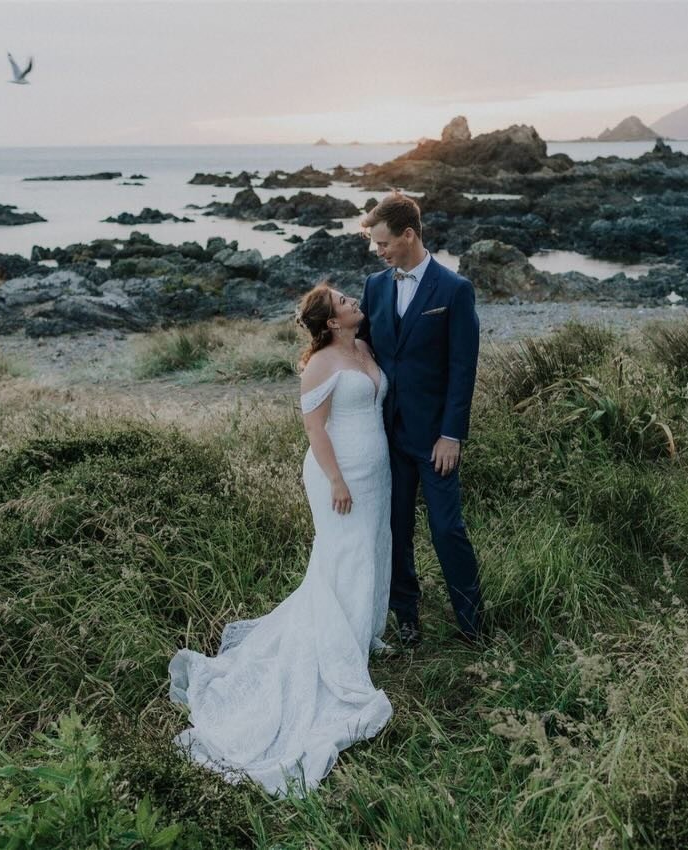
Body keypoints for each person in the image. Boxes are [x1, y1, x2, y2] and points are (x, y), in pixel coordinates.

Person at [167, 283, 393, 797]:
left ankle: (361, 635)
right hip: (341, 473)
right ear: (331, 321)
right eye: (342, 301)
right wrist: (335, 479)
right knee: (343, 556)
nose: (353, 301)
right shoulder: (319, 363)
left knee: (371, 552)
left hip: (376, 471)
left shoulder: (362, 347)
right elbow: (315, 429)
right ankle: (339, 650)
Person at [358, 192, 484, 647]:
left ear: (408, 234)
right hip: (386, 436)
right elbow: (363, 348)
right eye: (376, 246)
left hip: (435, 440)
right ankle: (407, 617)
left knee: (447, 529)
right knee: (395, 530)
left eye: (383, 243)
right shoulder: (374, 287)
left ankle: (472, 624)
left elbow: (462, 368)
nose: (379, 252)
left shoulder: (454, 290)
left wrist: (452, 433)